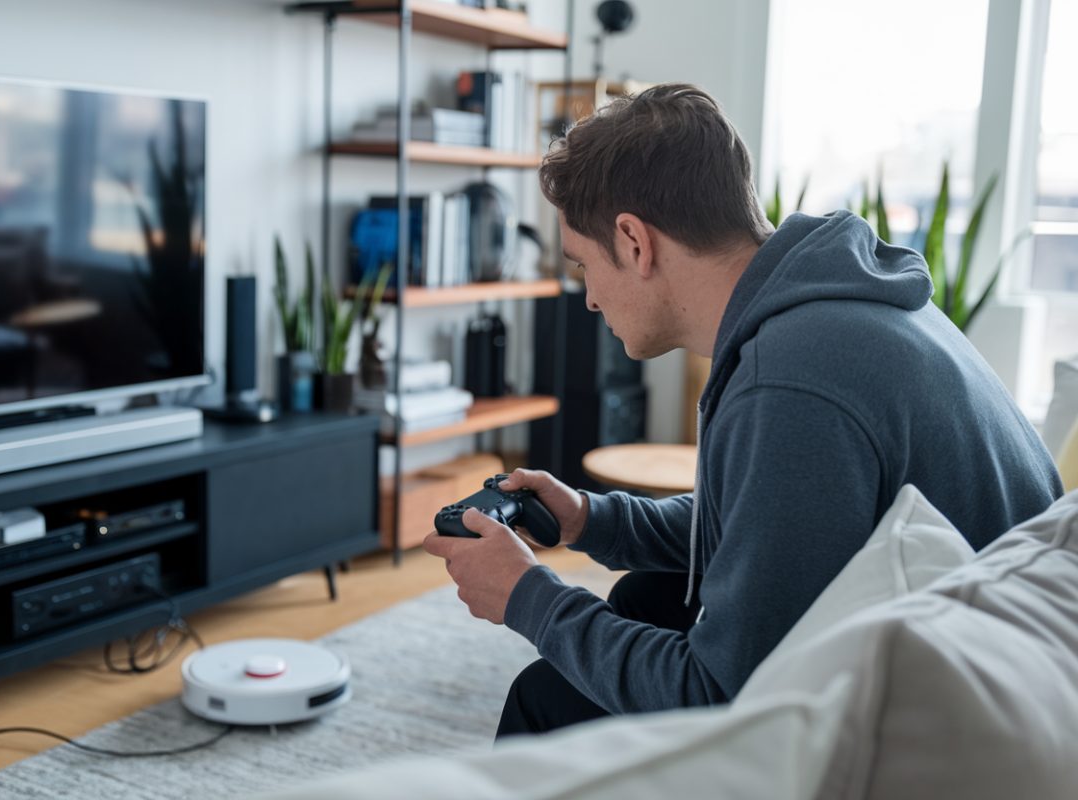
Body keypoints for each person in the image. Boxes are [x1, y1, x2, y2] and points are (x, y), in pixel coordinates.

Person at [422, 83, 1063, 738]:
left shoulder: (790, 382)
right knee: (651, 595)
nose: (588, 298)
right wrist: (590, 519)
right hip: (988, 651)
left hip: (968, 721)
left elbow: (719, 693)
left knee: (548, 697)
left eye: (585, 265)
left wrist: (529, 599)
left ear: (635, 242)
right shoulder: (832, 306)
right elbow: (764, 522)